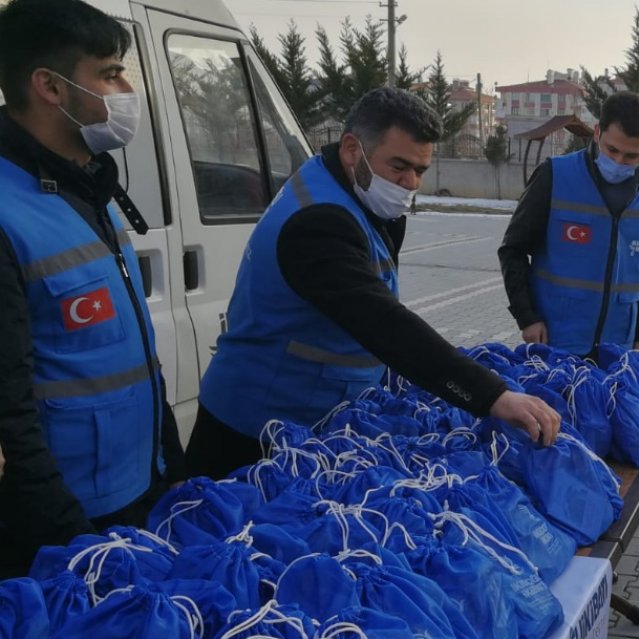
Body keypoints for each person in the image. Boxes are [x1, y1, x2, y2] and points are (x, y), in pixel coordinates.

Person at [188, 88, 561, 480]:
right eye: (399, 166)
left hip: (311, 422)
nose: (411, 183)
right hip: (257, 431)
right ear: (352, 149)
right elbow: (384, 323)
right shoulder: (319, 222)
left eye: (420, 170)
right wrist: (492, 396)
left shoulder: (356, 194)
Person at [0, 0, 186, 577]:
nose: (128, 87)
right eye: (109, 73)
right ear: (50, 86)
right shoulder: (9, 209)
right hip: (66, 530)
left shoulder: (83, 184)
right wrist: (70, 540)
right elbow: (9, 411)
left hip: (135, 493)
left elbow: (128, 359)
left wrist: (172, 473)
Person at [498, 91, 639, 360]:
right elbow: (512, 250)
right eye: (612, 150)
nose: (618, 162)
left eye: (631, 156)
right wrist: (528, 317)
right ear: (597, 133)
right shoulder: (555, 175)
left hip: (619, 349)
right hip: (556, 341)